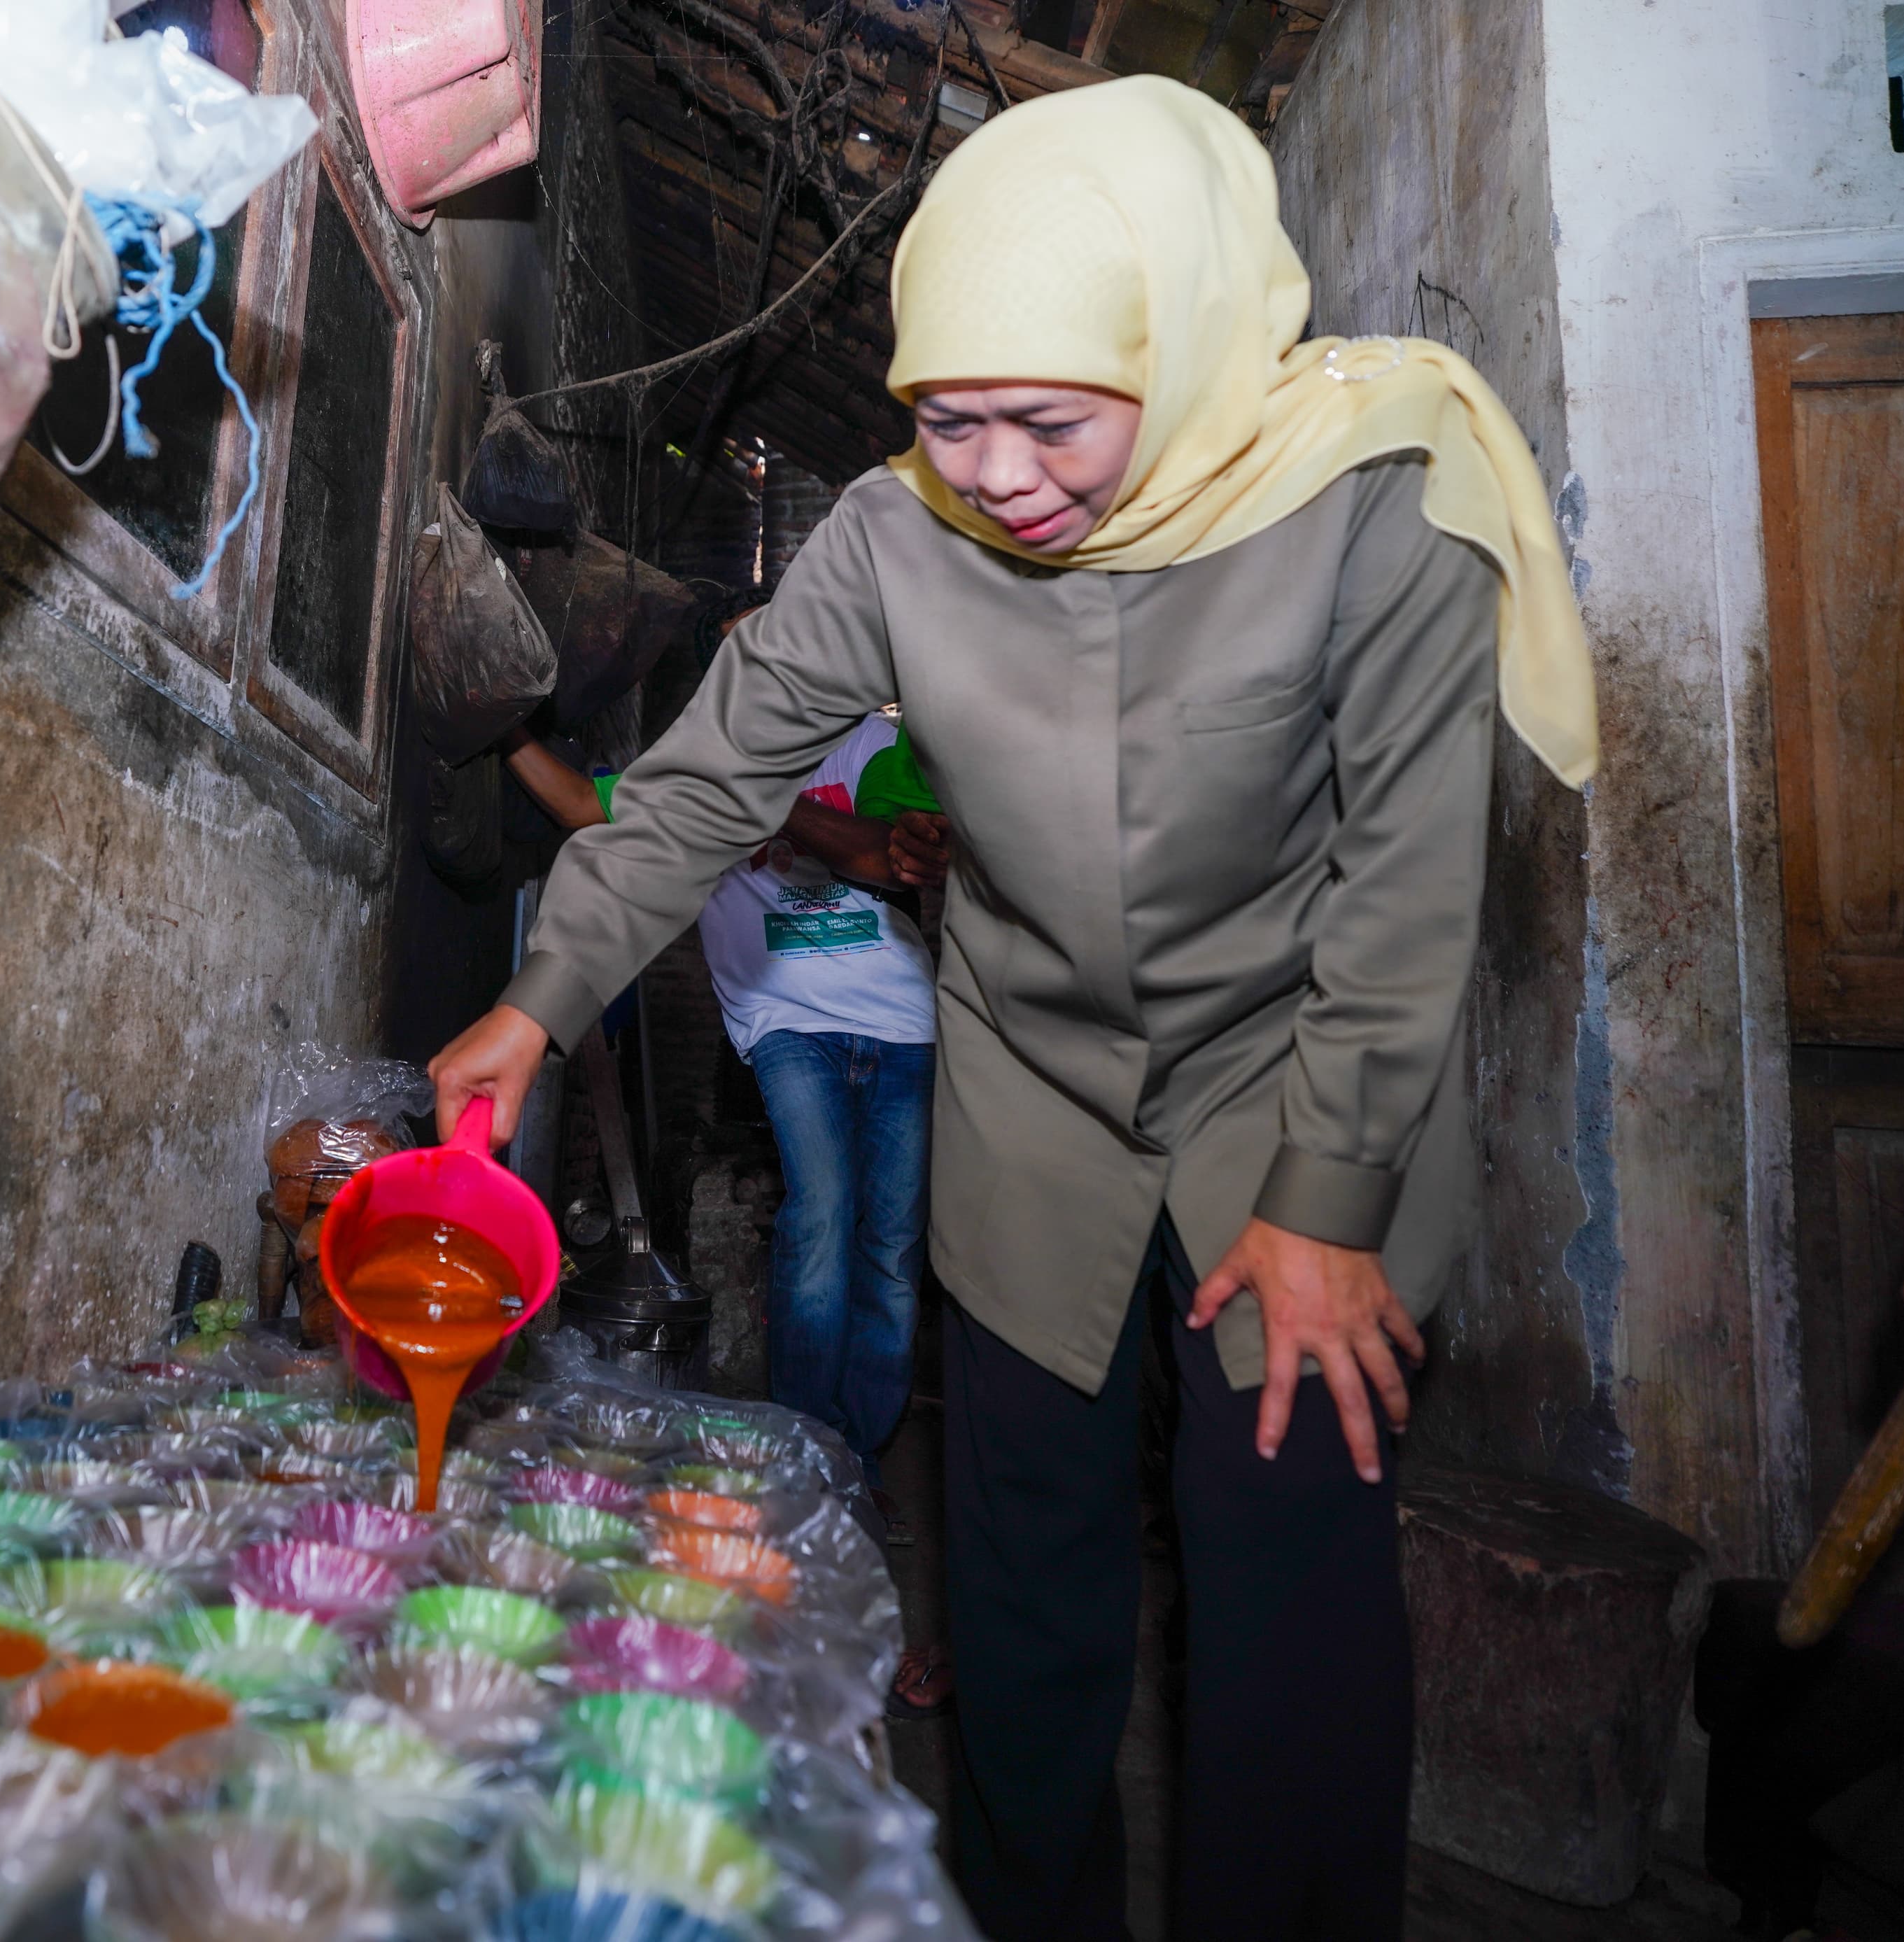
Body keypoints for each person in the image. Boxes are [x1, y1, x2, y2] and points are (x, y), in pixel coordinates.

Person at [428, 75, 1598, 1942]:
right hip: (1035, 1086)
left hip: (1297, 1092)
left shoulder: (1377, 500)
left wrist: (1332, 1196)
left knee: (1284, 1566)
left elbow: (1405, 876)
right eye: (945, 419)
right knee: (1027, 1571)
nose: (991, 471)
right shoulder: (899, 542)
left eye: (1045, 418)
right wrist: (540, 1002)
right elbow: (719, 779)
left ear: (1186, 344)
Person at [498, 682, 948, 1526]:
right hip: (786, 1025)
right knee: (819, 1215)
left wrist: (771, 808)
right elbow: (571, 803)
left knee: (889, 1249)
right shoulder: (697, 772)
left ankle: (859, 1458)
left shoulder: (877, 743)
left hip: (901, 1022)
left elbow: (890, 855)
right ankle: (807, 1453)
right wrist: (499, 725)